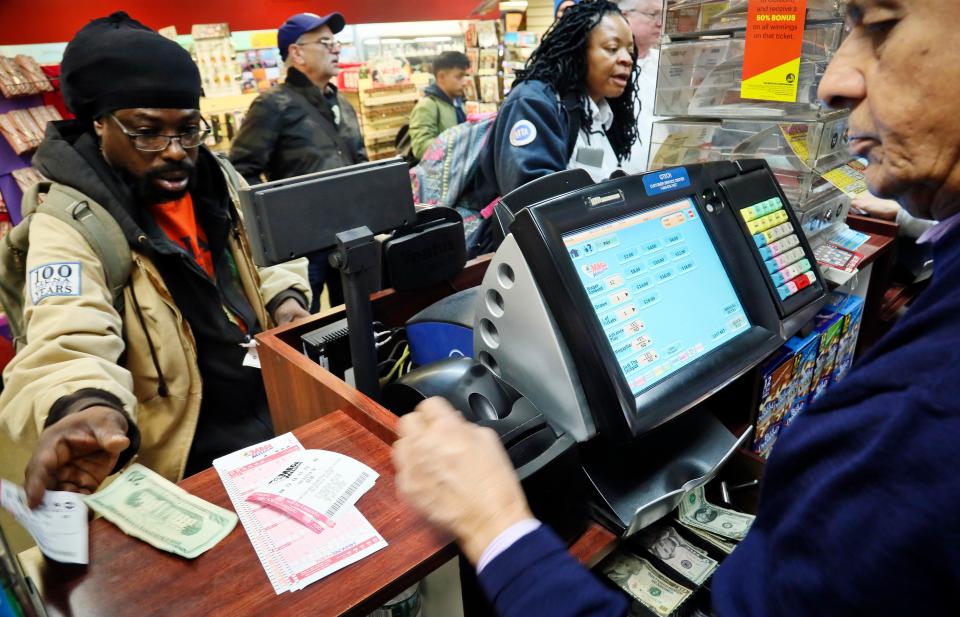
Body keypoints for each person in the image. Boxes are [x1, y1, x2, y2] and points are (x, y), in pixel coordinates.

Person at [393, 0, 960, 614]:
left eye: (879, 27)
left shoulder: (928, 409)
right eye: (608, 47)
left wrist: (495, 525)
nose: (832, 82)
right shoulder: (540, 104)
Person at [0, 12, 310, 511]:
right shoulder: (68, 224)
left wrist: (287, 300)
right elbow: (65, 335)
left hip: (271, 411)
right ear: (98, 122)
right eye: (147, 132)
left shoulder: (221, 179)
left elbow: (271, 254)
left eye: (189, 130)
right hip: (181, 455)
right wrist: (84, 406)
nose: (175, 153)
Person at [229, 12, 367, 312]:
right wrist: (282, 215)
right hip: (303, 247)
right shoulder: (272, 105)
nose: (336, 48)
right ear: (297, 52)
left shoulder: (342, 103)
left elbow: (360, 162)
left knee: (360, 317)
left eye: (336, 41)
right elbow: (241, 171)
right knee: (307, 325)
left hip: (350, 234)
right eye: (325, 41)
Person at [476, 0, 638, 204]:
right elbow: (533, 202)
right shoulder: (533, 103)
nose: (627, 59)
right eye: (612, 48)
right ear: (578, 49)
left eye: (630, 51)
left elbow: (594, 171)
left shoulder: (600, 112)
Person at [616, 0, 664, 173]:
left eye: (662, 14)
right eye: (652, 14)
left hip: (666, 174)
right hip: (622, 178)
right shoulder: (606, 68)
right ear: (624, 15)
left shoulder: (667, 63)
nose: (660, 22)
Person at [408, 51, 471, 161]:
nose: (464, 82)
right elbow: (420, 147)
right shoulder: (427, 106)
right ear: (441, 76)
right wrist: (458, 145)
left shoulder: (457, 103)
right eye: (459, 77)